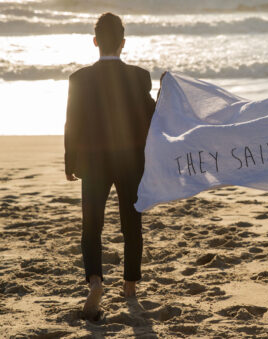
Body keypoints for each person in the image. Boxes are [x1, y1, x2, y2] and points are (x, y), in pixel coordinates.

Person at [64, 13, 156, 320]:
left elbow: (72, 123)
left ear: (94, 42)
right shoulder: (140, 76)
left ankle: (95, 281)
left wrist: (70, 160)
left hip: (92, 162)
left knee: (91, 225)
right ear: (123, 43)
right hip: (131, 161)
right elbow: (151, 117)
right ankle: (130, 286)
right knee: (132, 224)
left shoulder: (79, 79)